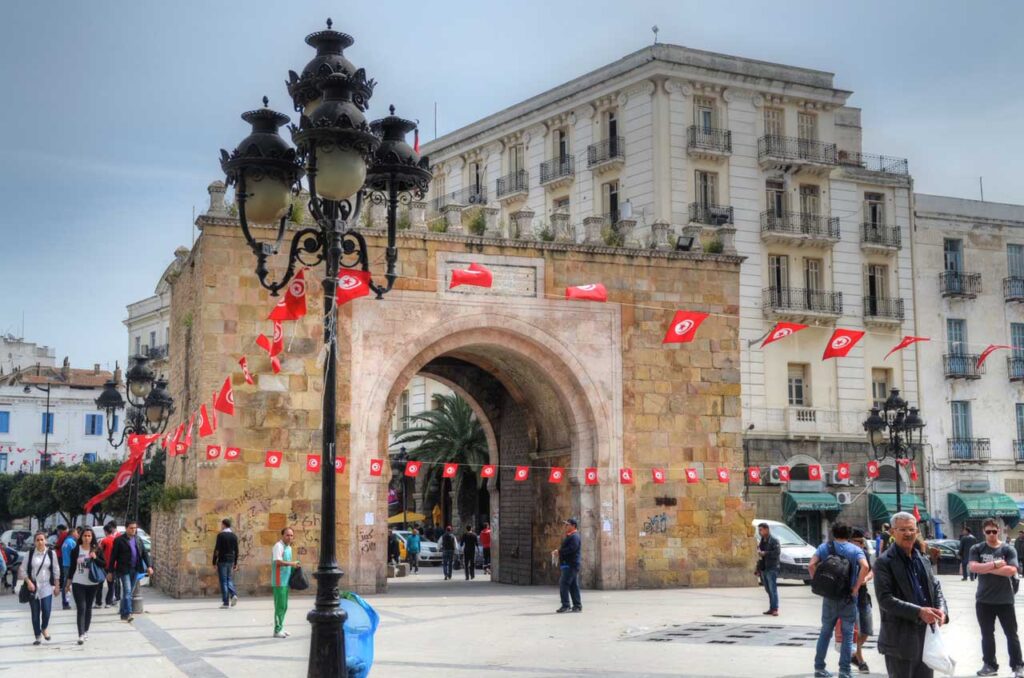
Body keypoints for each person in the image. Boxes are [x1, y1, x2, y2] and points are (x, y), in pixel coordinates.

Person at [874, 511, 947, 678]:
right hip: (899, 640)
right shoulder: (884, 562)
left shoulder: (922, 559)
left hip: (926, 638)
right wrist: (919, 612)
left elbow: (936, 587)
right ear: (892, 532)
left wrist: (942, 610)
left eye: (911, 529)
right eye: (902, 530)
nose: (908, 534)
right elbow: (885, 599)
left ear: (917, 531)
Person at [809, 521, 869, 678]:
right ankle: (844, 671)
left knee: (825, 631)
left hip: (829, 597)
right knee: (848, 634)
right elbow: (866, 567)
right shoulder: (855, 549)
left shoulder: (824, 548)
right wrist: (856, 587)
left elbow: (811, 565)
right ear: (849, 535)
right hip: (848, 597)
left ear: (833, 534)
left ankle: (819, 668)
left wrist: (819, 584)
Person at [968, 518, 1023, 677]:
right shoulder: (977, 548)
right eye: (988, 531)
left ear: (998, 530)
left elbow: (1011, 570)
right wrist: (995, 564)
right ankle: (989, 665)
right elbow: (972, 567)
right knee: (986, 634)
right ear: (983, 532)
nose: (991, 534)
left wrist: (984, 568)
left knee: (1011, 634)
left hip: (1005, 600)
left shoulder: (1007, 549)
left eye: (994, 531)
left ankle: (1018, 666)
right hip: (984, 600)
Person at [18, 531, 60, 645]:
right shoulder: (30, 554)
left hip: (46, 585)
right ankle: (37, 635)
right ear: (34, 542)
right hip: (33, 586)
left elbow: (56, 570)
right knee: (35, 612)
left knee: (46, 610)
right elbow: (22, 570)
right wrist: (28, 582)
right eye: (38, 540)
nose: (40, 542)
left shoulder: (51, 553)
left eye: (42, 539)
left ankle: (44, 628)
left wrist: (57, 586)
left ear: (45, 540)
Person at [107, 520, 152, 622]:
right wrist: (110, 571)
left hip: (135, 569)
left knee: (129, 593)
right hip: (124, 570)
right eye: (131, 528)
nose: (133, 530)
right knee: (127, 591)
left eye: (135, 528)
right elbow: (113, 557)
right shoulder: (119, 540)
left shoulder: (138, 539)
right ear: (126, 528)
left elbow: (144, 553)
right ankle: (128, 613)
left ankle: (123, 612)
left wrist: (149, 566)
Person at [66, 526, 104, 644]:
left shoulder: (96, 549)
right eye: (85, 536)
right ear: (81, 537)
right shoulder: (76, 550)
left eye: (89, 536)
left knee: (88, 607)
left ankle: (86, 630)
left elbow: (104, 564)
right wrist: (68, 583)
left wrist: (95, 557)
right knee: (81, 608)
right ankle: (81, 634)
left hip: (92, 582)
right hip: (78, 582)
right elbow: (72, 567)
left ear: (92, 537)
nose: (87, 538)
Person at [850, 528, 876, 674]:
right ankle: (859, 659)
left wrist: (866, 578)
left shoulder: (864, 553)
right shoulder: (845, 555)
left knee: (866, 630)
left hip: (863, 597)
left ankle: (854, 655)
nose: (861, 544)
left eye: (863, 541)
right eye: (859, 542)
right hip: (850, 598)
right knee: (853, 631)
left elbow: (871, 570)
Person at [271, 527, 299, 638]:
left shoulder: (289, 548)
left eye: (291, 535)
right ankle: (277, 630)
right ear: (282, 535)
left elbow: (288, 563)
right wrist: (292, 564)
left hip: (285, 582)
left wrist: (295, 568)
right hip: (279, 581)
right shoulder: (278, 546)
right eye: (287, 535)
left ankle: (281, 627)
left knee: (284, 606)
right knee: (280, 607)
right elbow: (278, 562)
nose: (290, 537)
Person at [553, 517, 582, 613]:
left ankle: (566, 605)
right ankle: (577, 606)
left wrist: (559, 552)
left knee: (563, 584)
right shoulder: (570, 536)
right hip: (569, 564)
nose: (565, 526)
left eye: (567, 524)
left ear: (573, 526)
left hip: (571, 565)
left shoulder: (575, 536)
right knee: (573, 585)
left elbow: (572, 549)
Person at [212, 517, 240, 608]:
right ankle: (233, 595)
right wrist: (235, 563)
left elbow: (217, 550)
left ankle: (226, 602)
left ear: (224, 525)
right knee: (229, 579)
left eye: (222, 524)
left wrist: (214, 561)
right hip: (231, 560)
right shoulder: (234, 536)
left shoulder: (221, 535)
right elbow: (236, 550)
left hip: (222, 560)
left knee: (223, 581)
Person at [756, 522, 781, 616]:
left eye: (761, 530)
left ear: (766, 529)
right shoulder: (762, 540)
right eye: (759, 530)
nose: (759, 532)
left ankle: (775, 609)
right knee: (768, 589)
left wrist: (765, 553)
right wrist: (758, 569)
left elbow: (777, 552)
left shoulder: (774, 541)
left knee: (772, 589)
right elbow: (760, 556)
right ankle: (771, 608)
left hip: (772, 568)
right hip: (764, 568)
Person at [98, 523, 119, 607]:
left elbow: (100, 551)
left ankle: (98, 602)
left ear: (105, 531)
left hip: (104, 565)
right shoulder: (116, 540)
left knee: (99, 585)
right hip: (113, 565)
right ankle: (108, 602)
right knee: (111, 585)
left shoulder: (104, 540)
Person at [58, 525, 77, 610]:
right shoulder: (72, 542)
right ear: (73, 533)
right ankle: (66, 603)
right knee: (69, 585)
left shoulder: (65, 542)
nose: (78, 534)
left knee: (66, 584)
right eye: (76, 533)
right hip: (71, 565)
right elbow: (76, 555)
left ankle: (65, 602)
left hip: (65, 564)